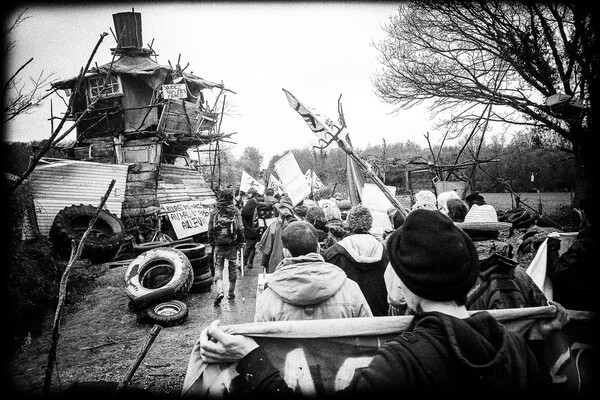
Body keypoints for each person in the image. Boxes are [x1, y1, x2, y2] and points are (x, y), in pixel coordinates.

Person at [200, 209, 565, 396]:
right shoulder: (513, 349)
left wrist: (251, 358)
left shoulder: (401, 364)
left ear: (404, 289)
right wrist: (542, 341)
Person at [254, 221, 373, 321]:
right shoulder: (350, 288)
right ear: (318, 248)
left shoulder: (268, 297)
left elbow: (260, 342)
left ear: (286, 253)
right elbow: (369, 334)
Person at [321, 205, 388, 316]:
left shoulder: (333, 253)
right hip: (380, 316)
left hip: (348, 318)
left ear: (348, 223)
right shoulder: (385, 252)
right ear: (370, 224)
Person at [546, 194, 598, 311]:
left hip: (579, 310)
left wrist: (553, 246)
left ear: (583, 214)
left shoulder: (583, 245)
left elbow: (557, 273)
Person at [207, 189, 245, 306]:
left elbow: (210, 228)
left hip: (219, 245)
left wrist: (212, 242)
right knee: (232, 266)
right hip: (232, 244)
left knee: (218, 267)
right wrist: (241, 242)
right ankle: (231, 292)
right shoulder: (235, 210)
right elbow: (240, 228)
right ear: (231, 197)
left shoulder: (215, 211)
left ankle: (219, 291)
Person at [256, 196, 298, 273]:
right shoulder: (299, 225)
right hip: (294, 266)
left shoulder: (274, 226)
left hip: (276, 265)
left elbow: (266, 249)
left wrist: (264, 264)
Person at [240, 187, 264, 270]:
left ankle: (243, 263)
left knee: (248, 245)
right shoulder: (262, 200)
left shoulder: (251, 201)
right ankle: (250, 262)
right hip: (260, 227)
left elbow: (245, 213)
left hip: (251, 227)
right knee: (253, 245)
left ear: (251, 193)